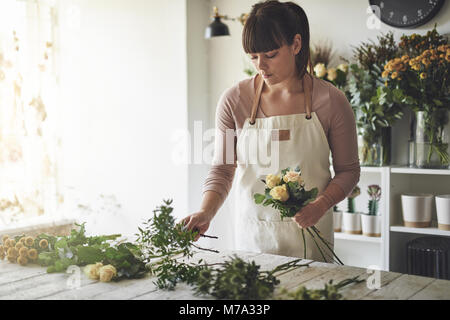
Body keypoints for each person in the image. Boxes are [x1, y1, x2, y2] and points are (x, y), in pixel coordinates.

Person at [181, 0, 360, 262]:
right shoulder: (234, 100)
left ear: (296, 45)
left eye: (271, 55)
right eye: (253, 57)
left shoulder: (331, 100)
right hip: (253, 239)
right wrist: (206, 212)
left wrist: (320, 205)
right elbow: (223, 168)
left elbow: (349, 171)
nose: (260, 66)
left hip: (311, 239)